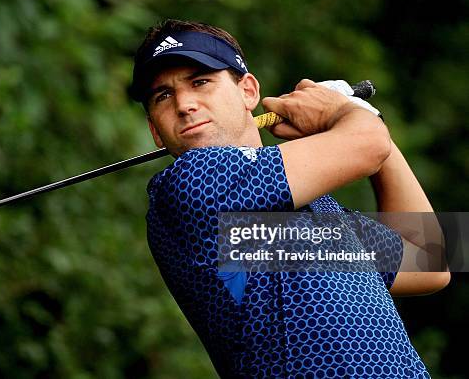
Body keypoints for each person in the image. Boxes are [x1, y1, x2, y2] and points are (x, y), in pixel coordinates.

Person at [129, 19, 450, 378]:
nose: (185, 104)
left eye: (200, 81)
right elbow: (366, 144)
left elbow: (430, 262)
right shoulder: (190, 183)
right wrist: (345, 114)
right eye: (163, 95)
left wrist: (366, 124)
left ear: (248, 91)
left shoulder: (317, 211)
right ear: (155, 130)